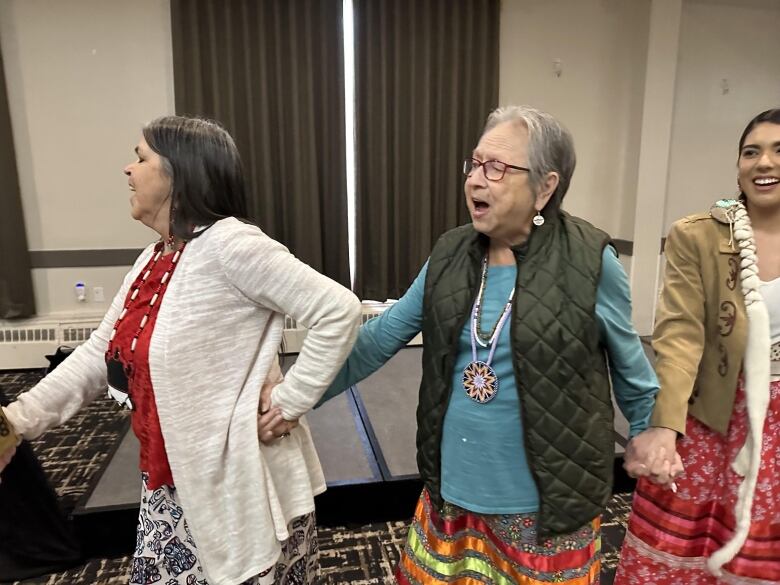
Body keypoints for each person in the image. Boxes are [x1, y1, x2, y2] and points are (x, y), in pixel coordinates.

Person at [0, 116, 362, 585]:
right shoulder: (156, 257)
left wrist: (292, 401)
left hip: (237, 487)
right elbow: (98, 354)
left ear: (178, 172)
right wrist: (16, 421)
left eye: (141, 157)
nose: (128, 170)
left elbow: (338, 310)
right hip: (171, 484)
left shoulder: (231, 244)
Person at [311, 105, 660, 583]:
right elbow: (380, 337)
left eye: (496, 168)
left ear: (545, 187)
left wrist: (646, 433)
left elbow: (631, 367)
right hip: (453, 490)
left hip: (544, 504)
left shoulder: (589, 261)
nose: (476, 180)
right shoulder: (451, 252)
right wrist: (298, 395)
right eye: (474, 164)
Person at [616, 108, 780, 583]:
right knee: (680, 552)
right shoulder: (700, 234)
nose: (764, 162)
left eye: (777, 151)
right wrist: (665, 426)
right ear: (738, 166)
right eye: (752, 152)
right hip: (713, 412)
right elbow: (681, 335)